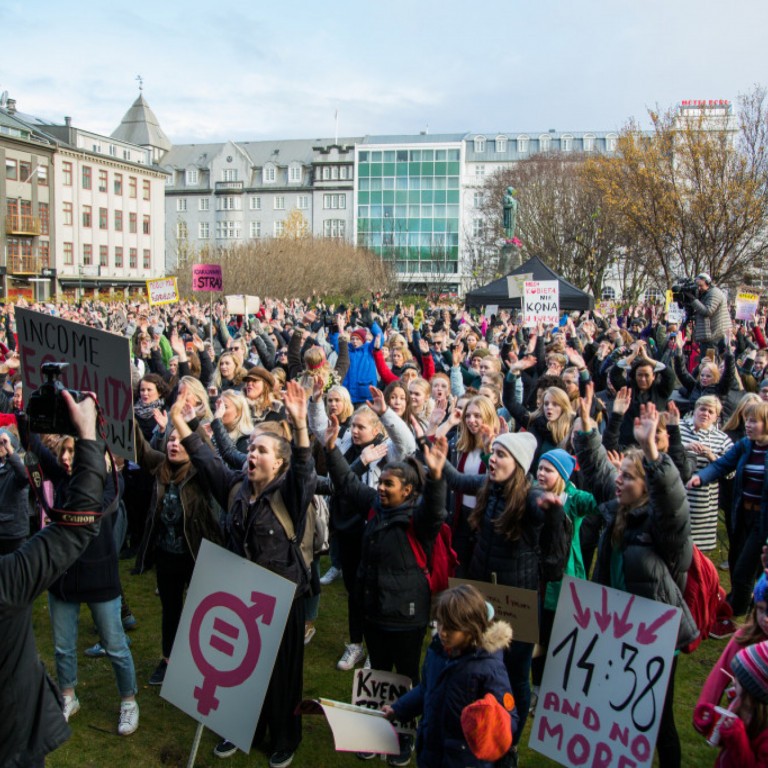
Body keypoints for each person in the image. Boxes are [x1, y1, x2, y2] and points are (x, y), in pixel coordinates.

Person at [172, 381, 317, 768]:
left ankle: (285, 737)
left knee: (283, 674)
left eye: (261, 450)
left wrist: (300, 426)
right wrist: (179, 422)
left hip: (282, 598)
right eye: (250, 447)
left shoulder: (292, 494)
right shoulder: (235, 488)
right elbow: (204, 458)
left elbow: (305, 469)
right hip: (241, 595)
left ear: (279, 462)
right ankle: (240, 728)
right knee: (241, 667)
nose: (252, 454)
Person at [574, 399, 697, 768]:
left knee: (657, 721)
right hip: (614, 628)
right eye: (620, 474)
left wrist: (653, 453)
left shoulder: (663, 529)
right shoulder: (616, 511)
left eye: (628, 476)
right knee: (616, 713)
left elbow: (673, 503)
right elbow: (598, 473)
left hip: (655, 637)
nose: (619, 480)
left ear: (647, 487)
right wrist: (586, 430)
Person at [322, 419, 449, 766]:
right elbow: (347, 484)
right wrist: (332, 449)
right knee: (377, 673)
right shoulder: (375, 508)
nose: (380, 488)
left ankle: (403, 737)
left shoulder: (418, 522)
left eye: (388, 484)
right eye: (380, 482)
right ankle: (373, 732)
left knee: (405, 677)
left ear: (407, 491)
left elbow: (435, 509)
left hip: (406, 617)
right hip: (373, 612)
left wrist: (436, 478)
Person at [439, 430, 565, 759]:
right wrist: (437, 460)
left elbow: (545, 513)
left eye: (501, 455)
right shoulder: (487, 487)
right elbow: (457, 480)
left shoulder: (529, 497)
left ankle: (510, 741)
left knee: (514, 676)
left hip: (517, 601)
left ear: (519, 464)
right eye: (492, 452)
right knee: (478, 665)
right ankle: (478, 730)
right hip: (484, 596)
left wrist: (551, 509)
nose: (492, 459)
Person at [0, 392, 106, 768]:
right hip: (14, 741)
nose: (64, 459)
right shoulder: (7, 581)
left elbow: (27, 466)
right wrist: (87, 434)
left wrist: (17, 436)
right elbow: (38, 474)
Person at [383, 584, 519, 768]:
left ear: (471, 628)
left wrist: (491, 718)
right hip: (431, 750)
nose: (443, 632)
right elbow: (426, 689)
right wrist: (399, 709)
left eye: (451, 628)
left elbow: (510, 719)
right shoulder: (437, 650)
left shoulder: (489, 667)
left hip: (464, 760)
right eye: (440, 623)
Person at [688, 401, 768, 615]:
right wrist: (700, 477)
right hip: (742, 515)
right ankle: (750, 601)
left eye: (753, 421)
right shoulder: (745, 446)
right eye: (747, 420)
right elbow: (722, 465)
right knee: (737, 562)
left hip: (763, 521)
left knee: (744, 570)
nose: (747, 425)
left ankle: (734, 615)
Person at [697, 574, 768, 714]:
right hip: (746, 720)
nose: (765, 618)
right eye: (760, 609)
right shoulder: (746, 637)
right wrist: (704, 711)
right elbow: (718, 678)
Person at [694, 638, 768, 767]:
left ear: (752, 690)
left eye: (738, 680)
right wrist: (713, 723)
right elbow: (726, 743)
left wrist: (737, 738)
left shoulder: (765, 734)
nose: (733, 682)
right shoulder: (740, 704)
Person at [689, 273, 731, 350]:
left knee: (708, 361)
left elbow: (708, 311)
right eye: (697, 286)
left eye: (701, 286)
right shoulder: (705, 294)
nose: (698, 288)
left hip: (713, 336)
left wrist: (693, 300)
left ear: (708, 284)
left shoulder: (714, 293)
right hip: (708, 335)